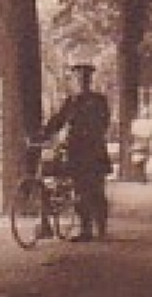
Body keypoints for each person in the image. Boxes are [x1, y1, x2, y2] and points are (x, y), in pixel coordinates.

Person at [41, 63, 113, 241]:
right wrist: (45, 133)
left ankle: (101, 227)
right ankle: (86, 230)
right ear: (75, 80)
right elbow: (59, 120)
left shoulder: (99, 100)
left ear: (90, 80)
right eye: (79, 78)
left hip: (94, 150)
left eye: (85, 78)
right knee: (80, 191)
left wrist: (89, 133)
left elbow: (104, 123)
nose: (82, 81)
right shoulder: (71, 101)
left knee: (96, 189)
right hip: (76, 151)